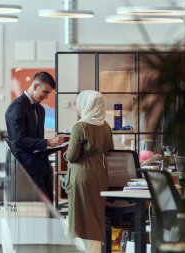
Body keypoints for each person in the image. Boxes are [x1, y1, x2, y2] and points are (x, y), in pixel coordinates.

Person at [64, 90, 114, 253]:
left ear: (87, 105)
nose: (77, 106)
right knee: (95, 216)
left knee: (79, 217)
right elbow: (110, 150)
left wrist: (64, 153)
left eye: (78, 102)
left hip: (82, 176)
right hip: (99, 175)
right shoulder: (106, 126)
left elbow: (72, 156)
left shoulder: (79, 126)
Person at [5, 71, 64, 202]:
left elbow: (36, 139)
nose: (47, 97)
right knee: (41, 209)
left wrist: (53, 145)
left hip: (42, 166)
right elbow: (18, 140)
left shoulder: (41, 109)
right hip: (26, 168)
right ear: (36, 86)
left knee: (50, 205)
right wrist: (47, 142)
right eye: (45, 92)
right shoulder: (15, 107)